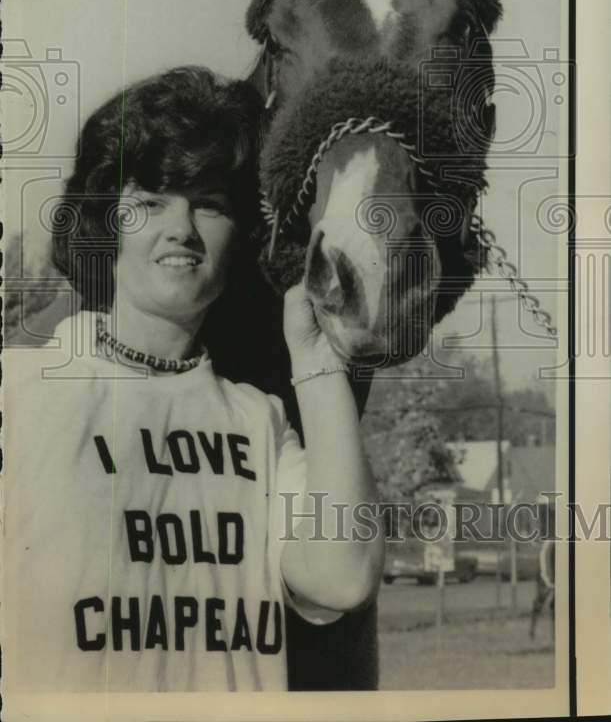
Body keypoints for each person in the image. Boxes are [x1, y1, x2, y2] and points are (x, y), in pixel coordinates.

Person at [4, 65, 384, 696]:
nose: (180, 228)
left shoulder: (260, 423)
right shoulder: (18, 391)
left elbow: (343, 576)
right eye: (149, 201)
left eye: (209, 204)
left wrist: (316, 362)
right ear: (105, 222)